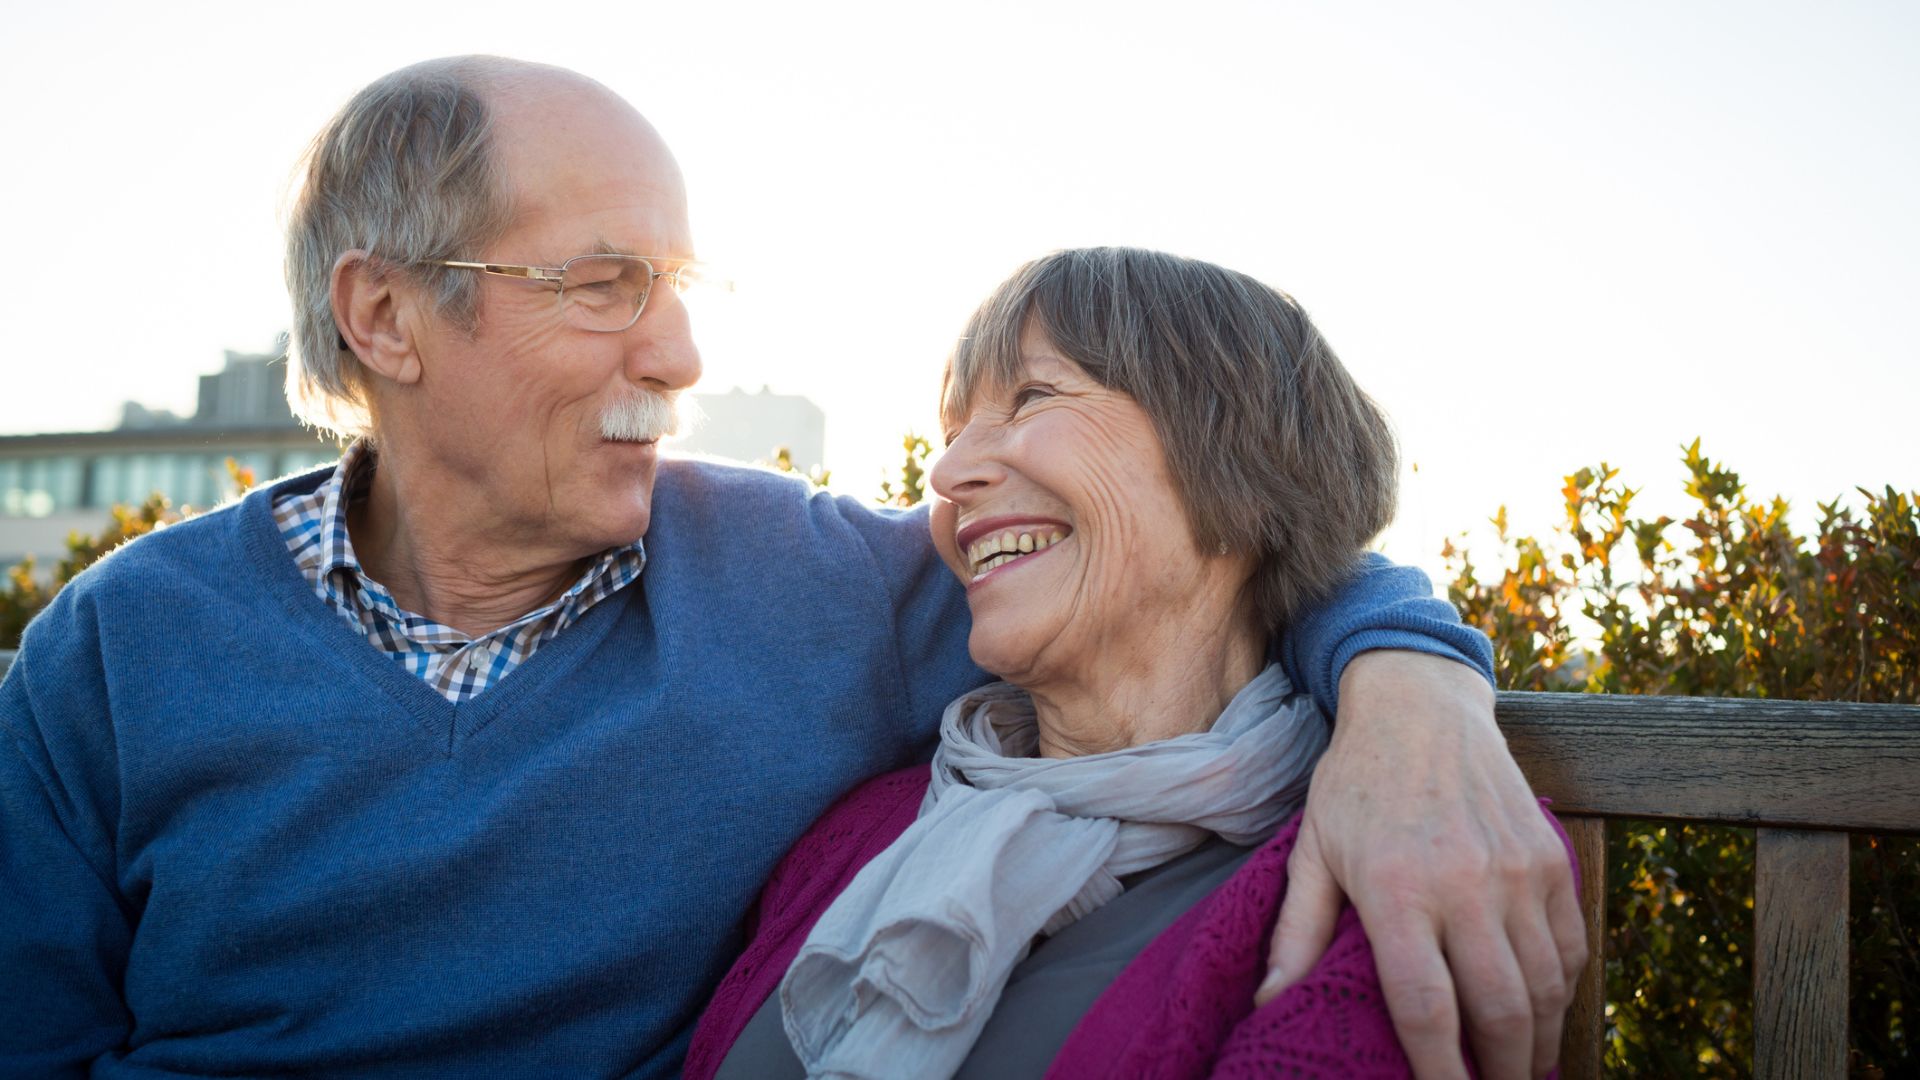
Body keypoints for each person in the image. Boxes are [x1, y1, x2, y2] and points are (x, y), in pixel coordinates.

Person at [0, 57, 1580, 1079]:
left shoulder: (812, 587)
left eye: (678, 286)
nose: (679, 354)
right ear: (387, 317)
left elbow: (1214, 548)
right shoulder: (115, 656)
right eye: (605, 284)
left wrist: (1411, 696)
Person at [689, 247, 1579, 1080]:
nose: (948, 470)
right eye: (954, 429)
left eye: (1033, 396)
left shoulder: (1411, 845)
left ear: (1234, 459)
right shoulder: (859, 829)